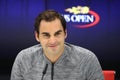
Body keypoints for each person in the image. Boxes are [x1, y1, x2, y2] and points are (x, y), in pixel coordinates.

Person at [11, 10, 104, 80]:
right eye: (46, 35)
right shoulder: (23, 59)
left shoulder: (87, 59)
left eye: (57, 33)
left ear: (65, 33)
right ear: (37, 36)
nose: (52, 41)